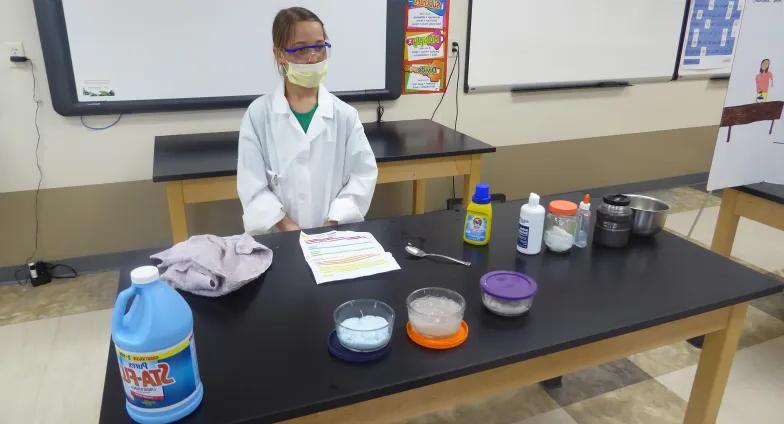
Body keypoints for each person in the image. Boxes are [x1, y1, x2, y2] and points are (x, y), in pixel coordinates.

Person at [237, 7, 378, 234]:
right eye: (302, 49)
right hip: (279, 240)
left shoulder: (345, 115)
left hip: (334, 236)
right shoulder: (258, 115)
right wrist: (289, 228)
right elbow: (252, 186)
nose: (313, 57)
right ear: (279, 54)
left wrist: (329, 225)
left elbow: (362, 176)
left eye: (320, 46)